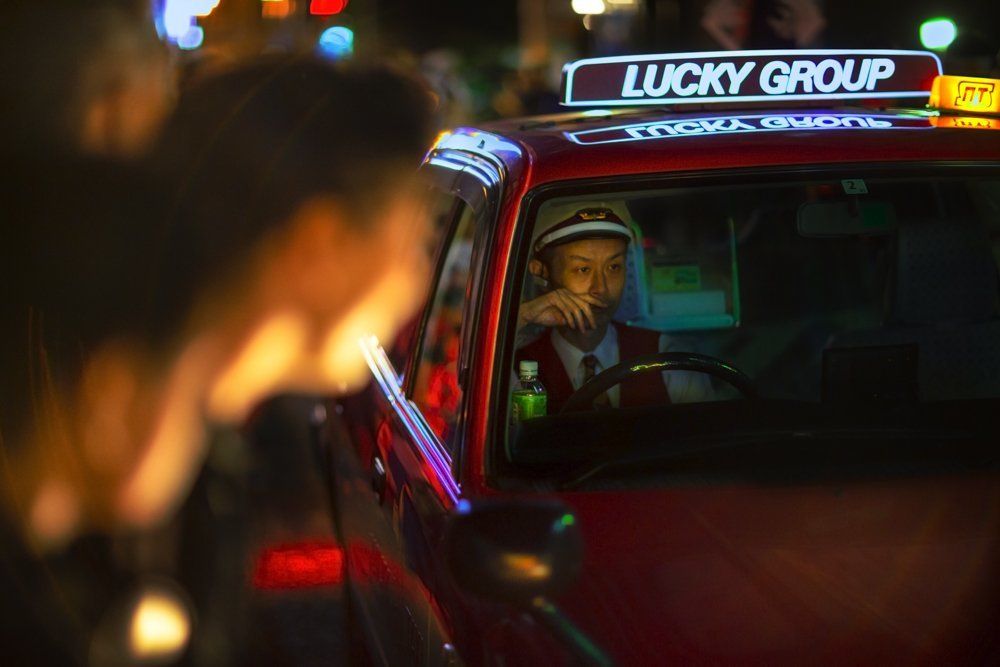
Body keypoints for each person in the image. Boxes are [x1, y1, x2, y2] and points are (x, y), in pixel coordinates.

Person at [0, 56, 436, 661]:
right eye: (413, 238)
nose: (417, 279)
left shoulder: (210, 450)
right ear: (321, 241)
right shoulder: (119, 454)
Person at [515, 206, 711, 413]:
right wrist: (523, 315)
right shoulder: (513, 366)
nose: (601, 288)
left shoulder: (665, 357)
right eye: (583, 269)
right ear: (541, 272)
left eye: (614, 267)